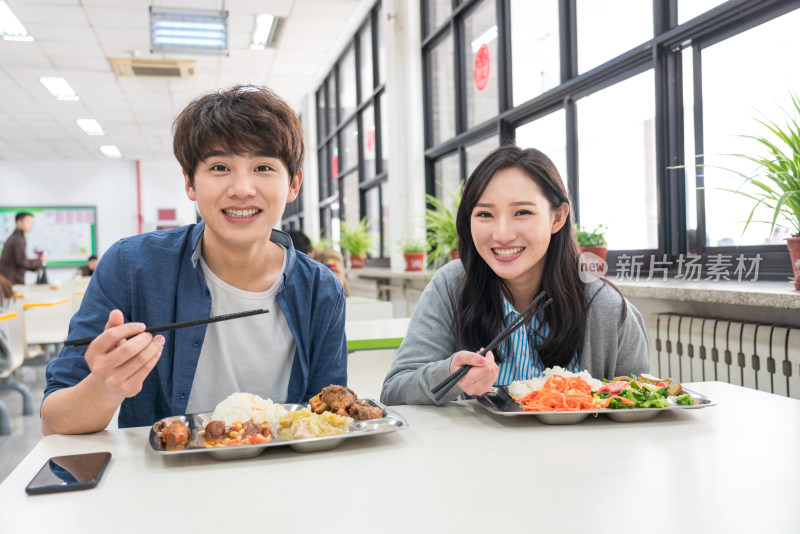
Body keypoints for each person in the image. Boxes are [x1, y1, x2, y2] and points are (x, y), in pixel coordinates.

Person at [42, 85, 348, 435]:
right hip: (162, 483)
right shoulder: (131, 266)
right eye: (220, 167)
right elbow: (54, 421)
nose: (242, 188)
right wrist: (106, 387)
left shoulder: (321, 290)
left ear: (294, 185)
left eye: (263, 167)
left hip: (282, 481)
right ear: (190, 182)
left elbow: (329, 419)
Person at [380, 145, 649, 405]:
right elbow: (394, 392)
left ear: (557, 218)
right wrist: (450, 374)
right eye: (485, 214)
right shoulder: (452, 285)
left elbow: (641, 403)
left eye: (522, 212)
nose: (502, 234)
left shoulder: (605, 306)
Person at [0, 212, 45, 285]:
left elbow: (19, 261)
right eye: (28, 222)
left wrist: (34, 268)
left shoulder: (18, 236)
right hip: (11, 281)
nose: (31, 225)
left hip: (10, 279)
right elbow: (21, 261)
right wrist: (40, 261)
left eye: (32, 222)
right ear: (19, 222)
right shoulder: (17, 239)